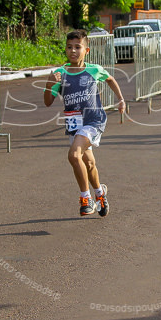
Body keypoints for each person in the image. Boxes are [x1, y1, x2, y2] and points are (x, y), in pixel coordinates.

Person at [43, 29, 126, 216]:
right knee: (88, 164)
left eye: (77, 47)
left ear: (86, 50)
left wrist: (121, 99)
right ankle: (100, 193)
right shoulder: (59, 74)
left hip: (94, 121)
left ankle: (85, 198)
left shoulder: (93, 70)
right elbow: (48, 102)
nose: (73, 51)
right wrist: (49, 84)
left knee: (73, 156)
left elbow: (110, 79)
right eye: (69, 47)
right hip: (74, 125)